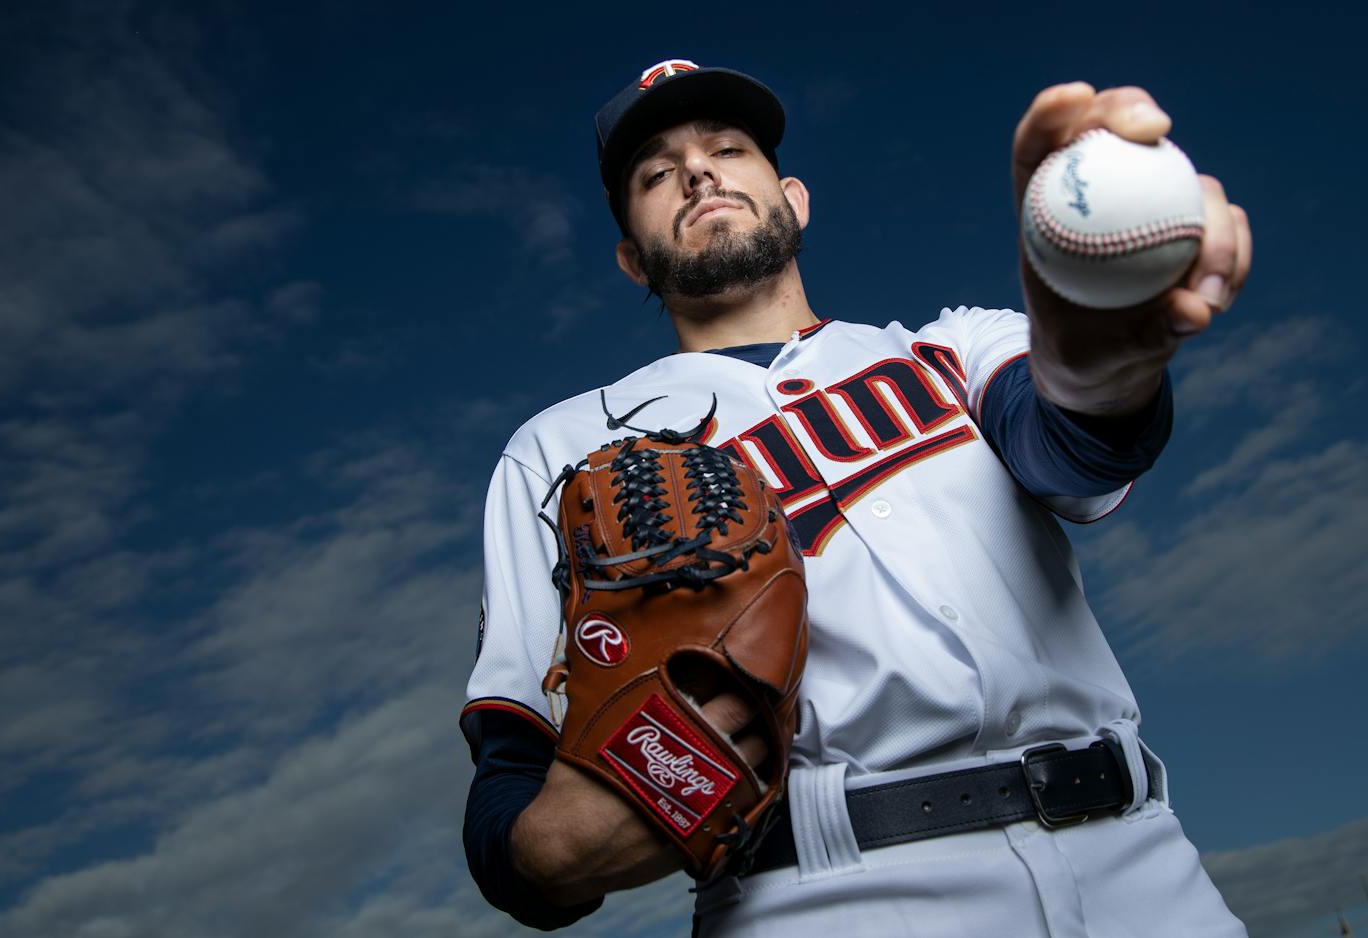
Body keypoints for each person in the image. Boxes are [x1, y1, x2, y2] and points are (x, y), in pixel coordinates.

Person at [460, 59, 1252, 936]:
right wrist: (631, 804)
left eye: (728, 148)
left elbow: (1077, 451)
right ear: (629, 256)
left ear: (794, 199)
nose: (696, 172)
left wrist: (1101, 333)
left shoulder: (950, 350)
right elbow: (510, 800)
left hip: (1140, 869)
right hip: (819, 893)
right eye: (654, 174)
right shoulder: (561, 451)